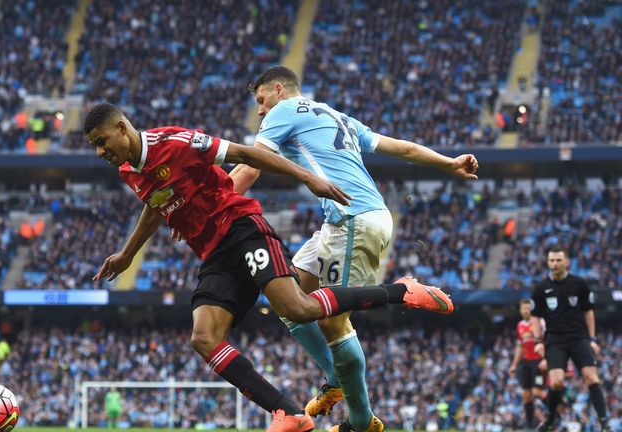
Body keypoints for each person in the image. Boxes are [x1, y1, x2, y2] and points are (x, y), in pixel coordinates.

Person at [83, 103, 453, 432]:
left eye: (102, 141)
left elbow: (248, 155)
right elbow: (154, 202)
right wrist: (128, 253)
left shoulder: (178, 143)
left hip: (244, 230)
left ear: (122, 127)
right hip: (215, 255)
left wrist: (307, 177)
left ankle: (400, 292)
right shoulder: (129, 170)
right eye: (94, 146)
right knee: (203, 337)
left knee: (299, 308)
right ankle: (289, 413)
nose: (101, 151)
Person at [225, 66, 476, 432]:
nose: (260, 111)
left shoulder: (283, 112)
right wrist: (448, 162)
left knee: (332, 319)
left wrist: (213, 211)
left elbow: (249, 168)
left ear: (278, 90)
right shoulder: (337, 116)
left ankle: (360, 422)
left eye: (261, 101)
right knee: (286, 297)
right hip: (344, 221)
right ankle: (334, 377)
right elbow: (402, 148)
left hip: (354, 220)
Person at [532, 246, 610, 432]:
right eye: (552, 260)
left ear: (566, 262)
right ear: (548, 262)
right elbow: (535, 316)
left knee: (591, 377)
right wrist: (538, 342)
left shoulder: (579, 284)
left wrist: (592, 338)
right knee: (557, 381)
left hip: (578, 338)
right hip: (555, 340)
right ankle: (551, 418)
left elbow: (588, 312)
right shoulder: (541, 288)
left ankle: (605, 423)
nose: (555, 264)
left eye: (559, 260)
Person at [508, 299, 546, 428]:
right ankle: (530, 426)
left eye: (528, 308)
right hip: (525, 363)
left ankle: (554, 413)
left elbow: (548, 340)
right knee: (526, 395)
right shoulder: (520, 325)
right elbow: (520, 346)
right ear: (520, 310)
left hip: (539, 362)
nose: (525, 310)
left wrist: (546, 358)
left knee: (537, 392)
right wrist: (514, 364)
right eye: (523, 308)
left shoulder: (540, 322)